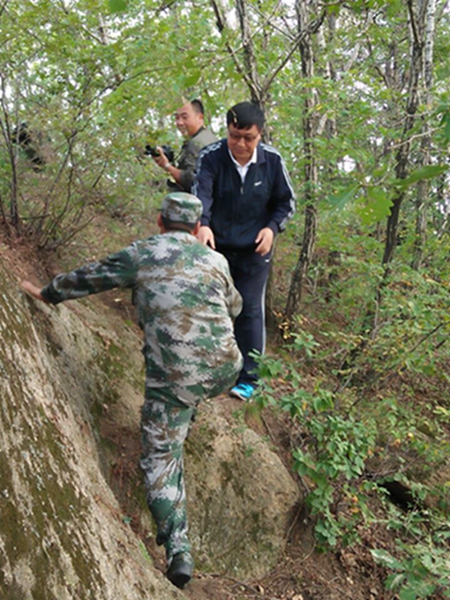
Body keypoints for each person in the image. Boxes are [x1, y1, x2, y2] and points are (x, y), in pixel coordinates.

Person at [20, 192, 243, 590]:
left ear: (159, 222)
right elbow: (236, 307)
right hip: (227, 369)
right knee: (188, 394)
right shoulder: (216, 259)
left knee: (161, 455)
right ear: (196, 228)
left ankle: (179, 549)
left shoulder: (142, 253)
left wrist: (47, 292)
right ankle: (188, 407)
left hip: (176, 377)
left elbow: (92, 276)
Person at [193, 101, 295, 401]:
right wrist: (202, 223)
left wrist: (272, 228)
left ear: (260, 135)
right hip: (216, 245)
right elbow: (201, 193)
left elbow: (286, 203)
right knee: (212, 305)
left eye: (248, 137)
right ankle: (209, 368)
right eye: (234, 135)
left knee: (250, 308)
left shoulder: (272, 162)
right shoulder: (211, 157)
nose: (239, 144)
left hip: (254, 247)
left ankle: (249, 378)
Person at [152, 99, 217, 192]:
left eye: (184, 117)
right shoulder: (208, 137)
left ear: (200, 118)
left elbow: (192, 181)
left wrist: (166, 165)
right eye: (177, 118)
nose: (179, 122)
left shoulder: (198, 143)